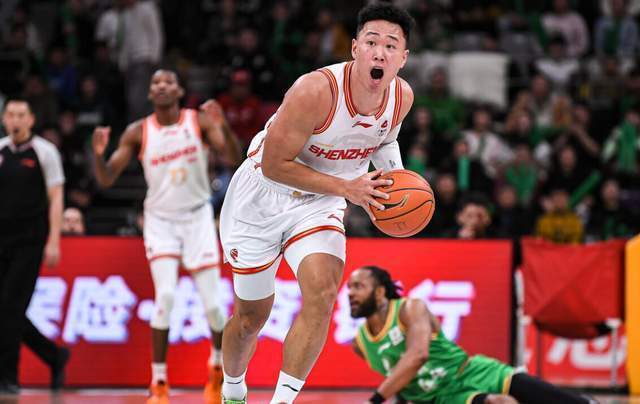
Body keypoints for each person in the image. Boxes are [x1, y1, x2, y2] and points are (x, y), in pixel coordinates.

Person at [218, 3, 415, 404]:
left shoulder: (401, 97)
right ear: (355, 48)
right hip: (262, 195)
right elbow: (275, 165)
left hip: (321, 202)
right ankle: (233, 390)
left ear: (403, 57)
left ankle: (282, 401)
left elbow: (385, 139)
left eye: (391, 45)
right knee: (251, 317)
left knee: (323, 294)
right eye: (372, 42)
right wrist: (349, 188)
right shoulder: (314, 91)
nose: (380, 53)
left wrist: (394, 185)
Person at [91, 69, 241, 404]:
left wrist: (225, 127)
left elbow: (233, 157)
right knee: (166, 297)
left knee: (214, 307)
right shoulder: (138, 131)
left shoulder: (198, 122)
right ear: (149, 94)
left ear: (179, 91)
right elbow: (107, 179)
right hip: (160, 221)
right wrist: (98, 155)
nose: (161, 86)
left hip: (197, 217)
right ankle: (159, 382)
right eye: (155, 83)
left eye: (168, 82)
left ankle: (216, 368)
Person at [347, 266, 598, 404]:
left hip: (469, 370)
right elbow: (399, 379)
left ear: (380, 292)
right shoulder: (360, 344)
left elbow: (418, 355)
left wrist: (375, 399)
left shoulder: (409, 308)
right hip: (441, 398)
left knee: (564, 401)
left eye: (358, 286)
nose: (350, 293)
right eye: (348, 288)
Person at [0, 99, 68, 393]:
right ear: (4, 119)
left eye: (21, 115)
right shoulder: (1, 150)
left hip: (30, 240)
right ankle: (54, 355)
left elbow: (56, 197)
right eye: (11, 115)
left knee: (11, 306)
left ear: (30, 120)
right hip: (1, 238)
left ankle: (8, 379)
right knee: (6, 310)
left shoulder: (44, 151)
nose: (15, 120)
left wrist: (54, 240)